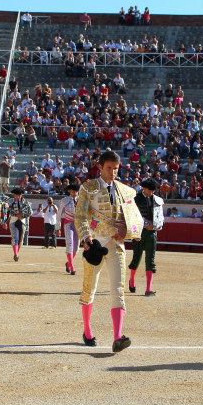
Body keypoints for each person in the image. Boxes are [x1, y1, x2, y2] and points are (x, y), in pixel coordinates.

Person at [74, 151, 143, 353]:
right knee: (89, 288)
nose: (112, 172)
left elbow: (131, 218)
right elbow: (80, 217)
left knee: (118, 288)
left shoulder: (125, 191)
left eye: (115, 169)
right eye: (109, 168)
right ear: (100, 167)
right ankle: (87, 331)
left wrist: (127, 230)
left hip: (114, 244)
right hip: (94, 244)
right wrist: (87, 239)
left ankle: (118, 336)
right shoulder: (88, 187)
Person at [128, 179, 165, 296]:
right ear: (144, 188)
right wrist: (146, 224)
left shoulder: (157, 200)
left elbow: (161, 217)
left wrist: (156, 226)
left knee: (151, 260)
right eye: (150, 190)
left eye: (153, 190)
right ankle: (132, 280)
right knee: (136, 257)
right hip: (139, 232)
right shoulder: (135, 199)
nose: (152, 192)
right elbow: (132, 216)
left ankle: (148, 289)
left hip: (152, 233)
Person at [8, 188, 33, 262]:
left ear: (21, 195)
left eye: (18, 195)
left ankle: (17, 253)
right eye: (15, 195)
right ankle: (16, 254)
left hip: (22, 221)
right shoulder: (10, 201)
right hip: (13, 220)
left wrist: (23, 215)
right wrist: (16, 214)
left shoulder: (26, 202)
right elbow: (7, 210)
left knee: (20, 239)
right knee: (15, 238)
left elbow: (30, 212)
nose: (16, 197)